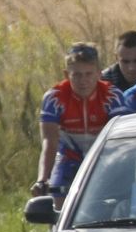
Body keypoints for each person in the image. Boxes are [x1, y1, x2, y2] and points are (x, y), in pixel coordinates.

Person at [36, 43, 124, 199]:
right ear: (66, 74)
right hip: (68, 157)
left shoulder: (112, 95)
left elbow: (120, 139)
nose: (83, 81)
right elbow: (50, 141)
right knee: (58, 199)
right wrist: (42, 179)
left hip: (103, 156)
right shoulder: (54, 97)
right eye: (76, 75)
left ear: (99, 73)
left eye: (88, 74)